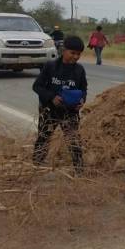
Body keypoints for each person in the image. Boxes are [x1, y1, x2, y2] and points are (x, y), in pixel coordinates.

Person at [32, 36, 88, 173]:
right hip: (49, 111)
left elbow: (83, 89)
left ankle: (79, 170)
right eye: (72, 53)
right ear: (64, 50)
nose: (75, 56)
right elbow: (37, 86)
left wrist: (82, 101)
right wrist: (52, 97)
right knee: (43, 138)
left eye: (78, 54)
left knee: (74, 140)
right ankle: (36, 166)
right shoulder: (50, 66)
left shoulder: (79, 70)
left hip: (70, 112)